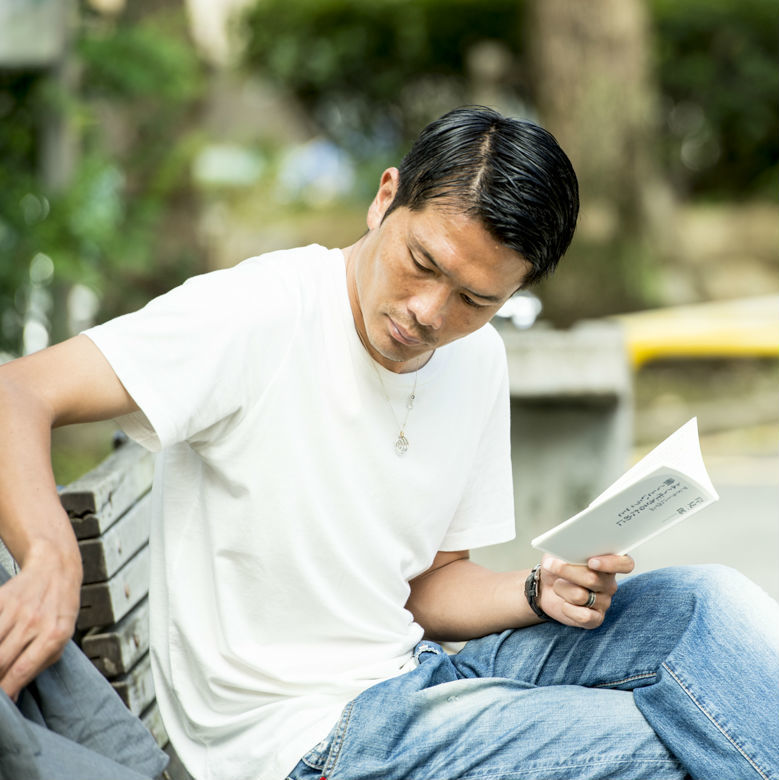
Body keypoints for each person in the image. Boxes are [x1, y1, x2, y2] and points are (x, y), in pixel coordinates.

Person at [0, 106, 777, 780]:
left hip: (414, 677)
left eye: (476, 299)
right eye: (421, 264)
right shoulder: (256, 314)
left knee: (708, 606)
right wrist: (50, 552)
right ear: (384, 200)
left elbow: (428, 588)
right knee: (664, 746)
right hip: (303, 740)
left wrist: (537, 590)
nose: (428, 314)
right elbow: (16, 391)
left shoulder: (477, 359)